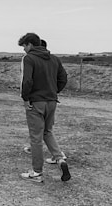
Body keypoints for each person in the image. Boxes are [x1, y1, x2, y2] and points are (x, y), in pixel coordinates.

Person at [18, 32, 70, 183]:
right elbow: (63, 78)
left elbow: (27, 81)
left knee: (36, 137)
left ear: (30, 44)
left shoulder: (29, 58)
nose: (23, 49)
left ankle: (37, 172)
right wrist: (54, 91)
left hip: (36, 101)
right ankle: (60, 159)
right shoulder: (54, 59)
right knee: (47, 131)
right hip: (52, 101)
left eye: (24, 46)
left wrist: (25, 98)